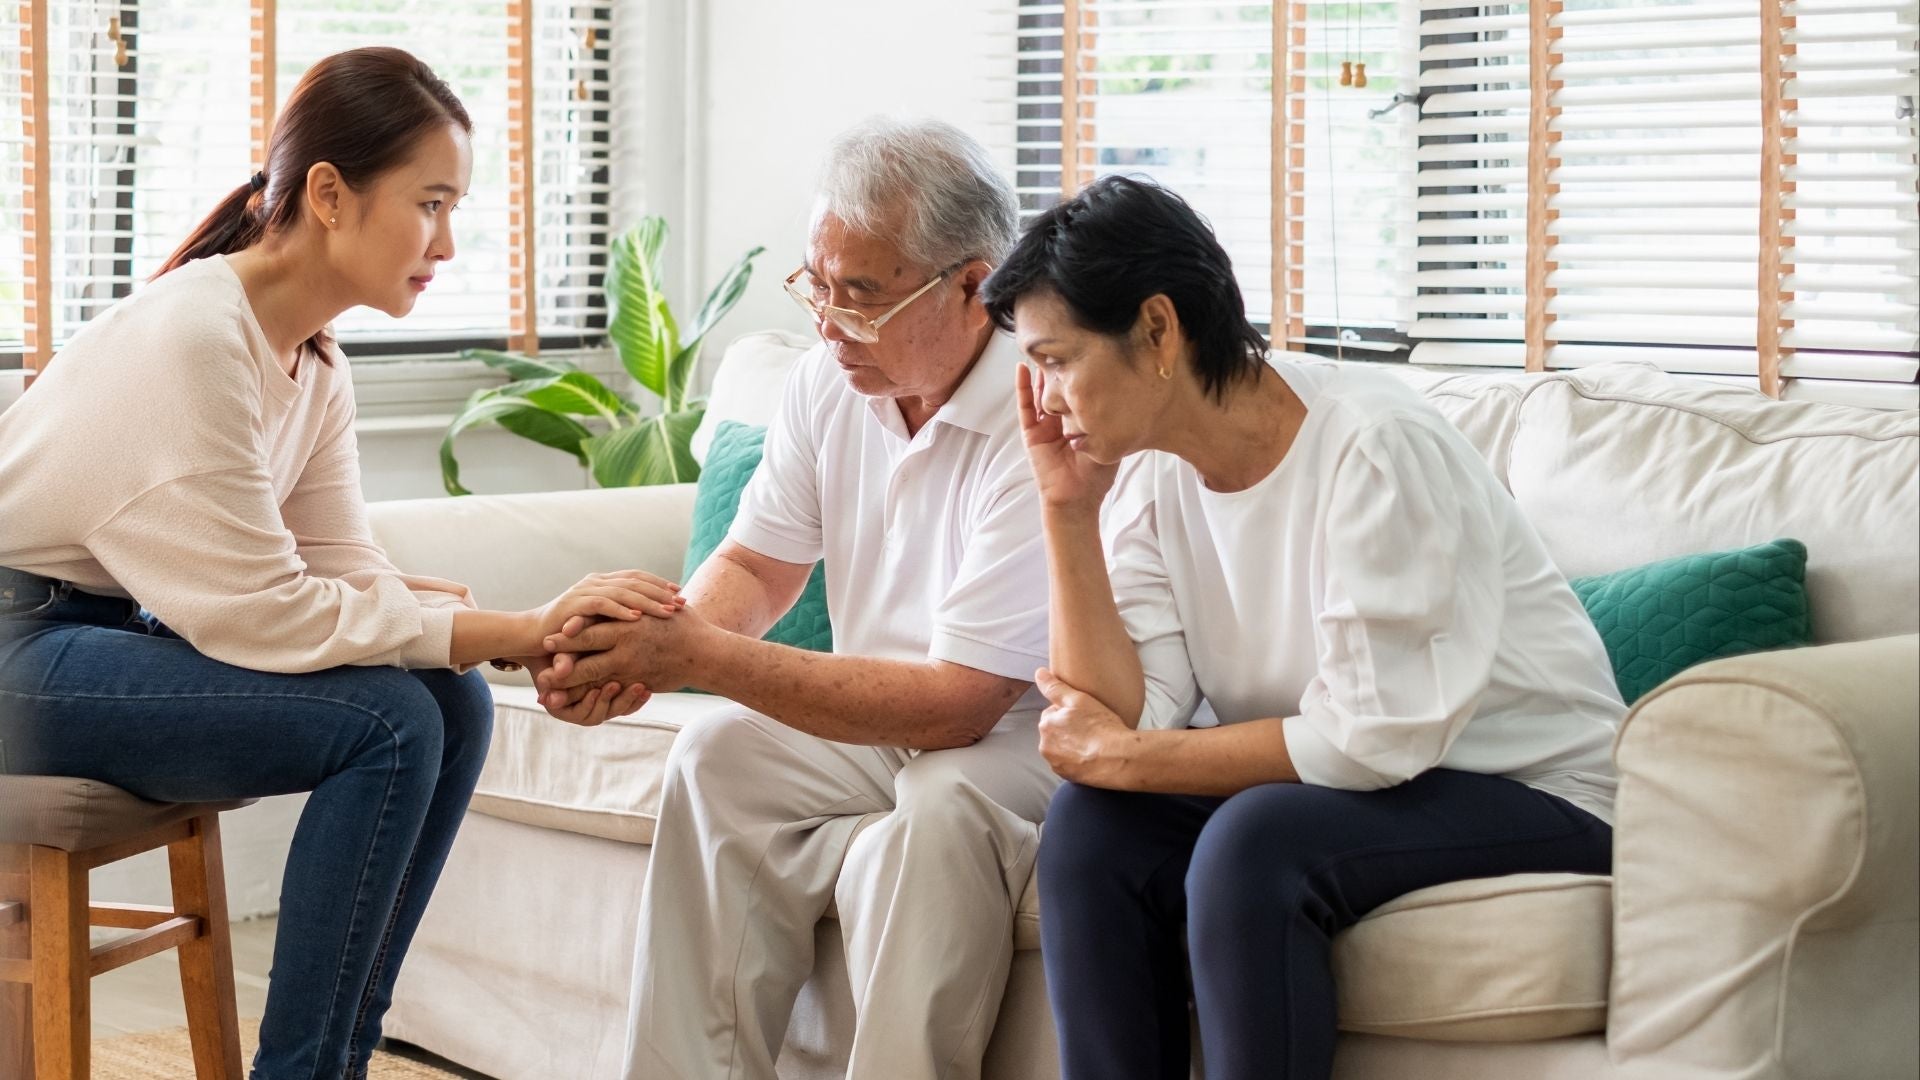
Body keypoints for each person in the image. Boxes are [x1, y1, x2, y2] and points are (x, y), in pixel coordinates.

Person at [0, 47, 677, 1080]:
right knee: (386, 723)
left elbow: (334, 568)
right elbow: (264, 615)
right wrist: (517, 626)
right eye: (431, 203)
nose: (449, 242)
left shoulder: (312, 358)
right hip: (18, 645)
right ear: (329, 193)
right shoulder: (195, 337)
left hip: (94, 630)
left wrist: (465, 626)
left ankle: (333, 1060)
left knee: (449, 702)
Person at [978, 174, 1624, 1080]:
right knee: (1094, 827)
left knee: (1256, 842)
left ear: (1158, 330)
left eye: (1057, 360)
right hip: (1367, 780)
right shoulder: (1159, 470)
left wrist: (1125, 758)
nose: (1042, 401)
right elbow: (1122, 719)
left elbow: (1370, 738)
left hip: (1531, 783)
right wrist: (1067, 515)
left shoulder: (1372, 443)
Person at [533, 118, 1054, 1080]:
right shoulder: (827, 383)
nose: (826, 320)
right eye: (817, 284)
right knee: (718, 752)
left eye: (861, 295)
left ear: (976, 286)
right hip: (888, 713)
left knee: (937, 810)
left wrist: (700, 658)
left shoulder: (1042, 411)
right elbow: (760, 567)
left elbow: (960, 706)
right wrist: (652, 645)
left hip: (1022, 734)